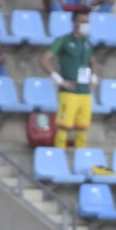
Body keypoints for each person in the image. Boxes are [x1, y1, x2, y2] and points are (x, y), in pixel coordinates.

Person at [40, 10, 95, 150]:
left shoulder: (87, 43)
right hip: (68, 91)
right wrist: (59, 80)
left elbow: (92, 61)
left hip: (85, 92)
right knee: (64, 127)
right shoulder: (63, 40)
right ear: (75, 23)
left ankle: (80, 158)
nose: (86, 25)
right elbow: (44, 60)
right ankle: (58, 158)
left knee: (82, 129)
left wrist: (93, 77)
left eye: (87, 22)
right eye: (83, 21)